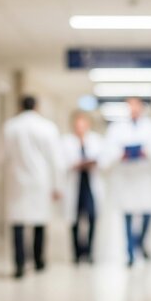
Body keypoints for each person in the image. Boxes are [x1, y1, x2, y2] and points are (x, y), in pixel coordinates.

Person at [3, 95, 63, 279]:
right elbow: (56, 160)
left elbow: (1, 155)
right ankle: (38, 260)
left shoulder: (10, 126)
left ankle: (19, 264)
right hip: (40, 181)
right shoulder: (47, 127)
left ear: (20, 106)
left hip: (17, 180)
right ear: (37, 106)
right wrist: (57, 186)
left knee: (18, 223)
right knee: (39, 222)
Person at [102, 97, 151, 267]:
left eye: (137, 107)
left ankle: (140, 242)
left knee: (148, 213)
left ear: (142, 109)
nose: (134, 110)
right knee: (127, 215)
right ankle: (129, 253)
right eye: (131, 107)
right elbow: (108, 152)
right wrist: (120, 154)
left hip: (145, 176)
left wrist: (146, 152)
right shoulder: (116, 128)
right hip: (126, 177)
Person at [62, 111, 104, 264]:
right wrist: (74, 164)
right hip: (75, 185)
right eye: (78, 125)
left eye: (83, 125)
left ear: (88, 125)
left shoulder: (96, 140)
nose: (80, 128)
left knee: (92, 218)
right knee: (74, 221)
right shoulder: (66, 141)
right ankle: (77, 253)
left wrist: (92, 163)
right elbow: (61, 163)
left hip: (90, 185)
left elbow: (103, 160)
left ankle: (90, 251)